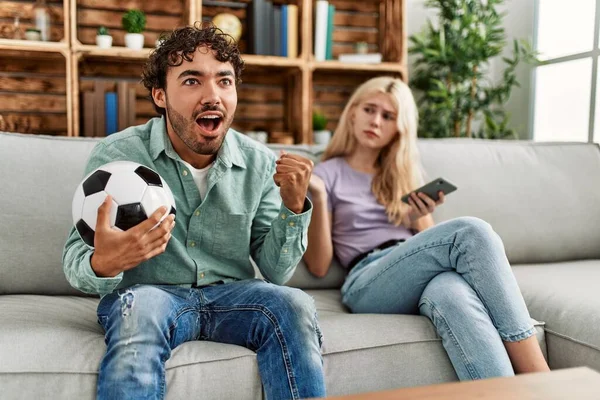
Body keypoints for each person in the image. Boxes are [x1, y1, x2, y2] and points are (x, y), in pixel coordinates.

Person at [62, 24, 326, 400]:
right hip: (152, 294)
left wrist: (293, 206)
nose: (212, 95)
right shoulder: (118, 156)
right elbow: (74, 259)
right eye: (191, 81)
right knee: (142, 306)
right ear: (160, 95)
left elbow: (276, 271)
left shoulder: (259, 162)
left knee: (295, 304)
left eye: (224, 81)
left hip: (234, 297)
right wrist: (105, 262)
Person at [304, 76, 550, 380]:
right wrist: (315, 195)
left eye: (388, 116)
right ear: (352, 112)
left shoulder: (401, 174)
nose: (375, 121)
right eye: (369, 110)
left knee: (451, 292)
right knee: (472, 232)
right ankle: (541, 378)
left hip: (413, 266)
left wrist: (416, 217)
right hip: (367, 279)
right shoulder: (325, 175)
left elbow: (431, 249)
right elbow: (318, 265)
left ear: (399, 128)